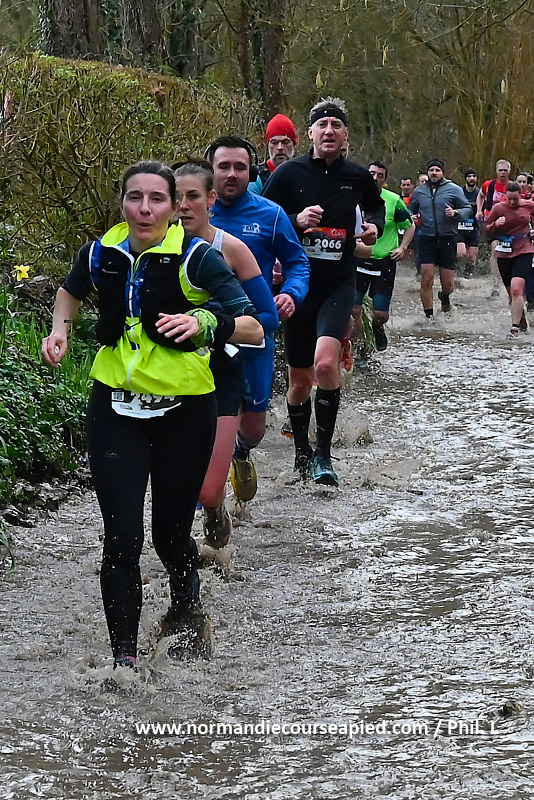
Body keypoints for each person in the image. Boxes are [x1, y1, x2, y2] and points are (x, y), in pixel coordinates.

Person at [42, 160, 263, 669]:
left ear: (174, 206)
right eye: (135, 198)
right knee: (122, 537)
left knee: (168, 533)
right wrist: (60, 330)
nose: (145, 209)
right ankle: (124, 663)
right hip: (114, 407)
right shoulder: (100, 252)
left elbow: (253, 325)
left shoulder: (198, 258)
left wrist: (206, 322)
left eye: (157, 199)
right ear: (122, 202)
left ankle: (187, 606)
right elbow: (69, 292)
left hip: (184, 412)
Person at [263, 96, 385, 487]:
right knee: (299, 381)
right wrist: (296, 220)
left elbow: (376, 208)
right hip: (297, 287)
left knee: (327, 365)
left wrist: (374, 227)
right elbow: (263, 218)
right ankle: (301, 452)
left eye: (336, 125)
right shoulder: (289, 173)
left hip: (338, 282)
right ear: (311, 133)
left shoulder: (357, 177)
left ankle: (323, 456)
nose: (329, 131)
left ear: (345, 135)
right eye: (322, 125)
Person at [174, 158, 278, 548]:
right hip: (175, 373)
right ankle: (182, 562)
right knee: (181, 480)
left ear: (211, 200)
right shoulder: (153, 251)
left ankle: (226, 481)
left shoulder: (231, 248)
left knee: (250, 435)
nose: (183, 205)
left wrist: (213, 324)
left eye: (193, 196)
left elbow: (266, 317)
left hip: (231, 360)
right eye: (176, 197)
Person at [208, 135, 310, 503]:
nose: (232, 174)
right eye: (223, 166)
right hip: (205, 332)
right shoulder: (192, 215)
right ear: (210, 171)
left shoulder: (270, 215)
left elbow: (298, 263)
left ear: (251, 172)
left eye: (240, 167)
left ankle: (240, 451)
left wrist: (291, 294)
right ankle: (209, 498)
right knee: (207, 419)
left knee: (253, 427)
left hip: (254, 330)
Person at [353, 161, 415, 351]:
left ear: (385, 180)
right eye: (372, 173)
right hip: (358, 260)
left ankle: (377, 327)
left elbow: (410, 226)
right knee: (353, 310)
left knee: (380, 314)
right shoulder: (352, 195)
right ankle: (361, 347)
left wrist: (403, 248)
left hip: (384, 262)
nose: (375, 178)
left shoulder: (393, 200)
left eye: (380, 175)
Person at [408, 158, 471, 320]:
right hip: (426, 238)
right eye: (431, 170)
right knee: (426, 278)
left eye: (437, 170)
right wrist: (411, 216)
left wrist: (456, 213)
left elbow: (467, 209)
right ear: (427, 172)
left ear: (443, 173)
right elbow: (409, 209)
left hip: (447, 238)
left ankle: (444, 296)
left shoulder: (454, 189)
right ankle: (429, 317)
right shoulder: (419, 192)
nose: (434, 173)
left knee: (448, 284)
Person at [484, 180, 534, 338]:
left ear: (521, 195)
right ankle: (521, 318)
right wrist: (495, 225)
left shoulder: (529, 205)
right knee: (511, 294)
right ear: (505, 196)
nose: (512, 202)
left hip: (524, 250)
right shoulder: (499, 208)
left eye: (515, 199)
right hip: (504, 253)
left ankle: (514, 329)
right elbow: (485, 229)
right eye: (509, 199)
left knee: (516, 289)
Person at [477, 158, 512, 296]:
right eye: (500, 170)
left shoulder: (512, 186)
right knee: (495, 250)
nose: (503, 173)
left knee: (508, 253)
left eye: (505, 170)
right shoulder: (489, 185)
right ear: (496, 171)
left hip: (508, 223)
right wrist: (479, 210)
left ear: (509, 171)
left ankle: (508, 280)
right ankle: (495, 283)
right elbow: (480, 196)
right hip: (491, 222)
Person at [249, 113, 298, 194]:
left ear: (294, 144)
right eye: (274, 142)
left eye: (285, 142)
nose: (280, 147)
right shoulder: (257, 178)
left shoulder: (303, 173)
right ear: (268, 145)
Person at [456, 168, 480, 277]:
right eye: (469, 176)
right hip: (460, 227)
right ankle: (455, 271)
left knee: (472, 256)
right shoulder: (459, 191)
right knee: (461, 253)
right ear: (465, 178)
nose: (472, 178)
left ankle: (467, 276)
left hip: (473, 227)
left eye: (474, 176)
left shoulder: (479, 193)